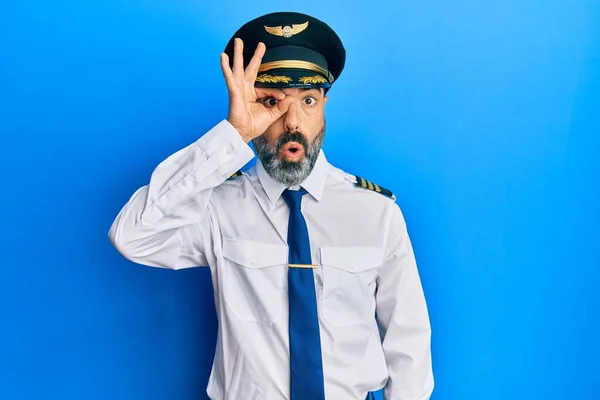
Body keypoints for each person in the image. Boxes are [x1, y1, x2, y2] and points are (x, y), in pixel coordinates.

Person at [108, 11, 434, 400]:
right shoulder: (215, 208)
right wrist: (233, 135)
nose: (292, 121)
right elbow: (132, 237)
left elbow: (408, 340)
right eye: (272, 102)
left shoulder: (377, 213)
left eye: (308, 101)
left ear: (325, 105)